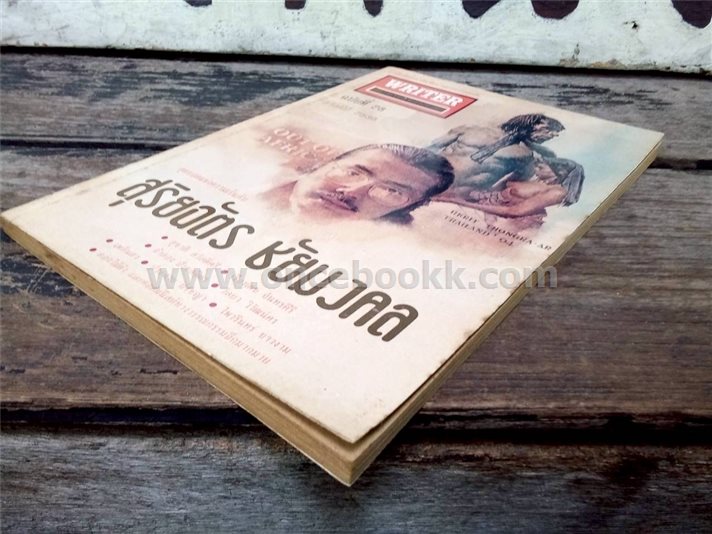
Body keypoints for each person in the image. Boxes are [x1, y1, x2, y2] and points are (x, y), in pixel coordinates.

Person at [261, 143, 454, 224]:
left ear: (405, 210)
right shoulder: (257, 184)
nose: (352, 192)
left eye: (392, 191)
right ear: (321, 165)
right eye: (351, 173)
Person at [429, 113, 565, 197]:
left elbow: (508, 185)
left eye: (555, 133)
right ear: (532, 124)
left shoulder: (526, 156)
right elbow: (431, 148)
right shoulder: (470, 130)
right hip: (428, 178)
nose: (553, 135)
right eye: (549, 129)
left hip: (456, 195)